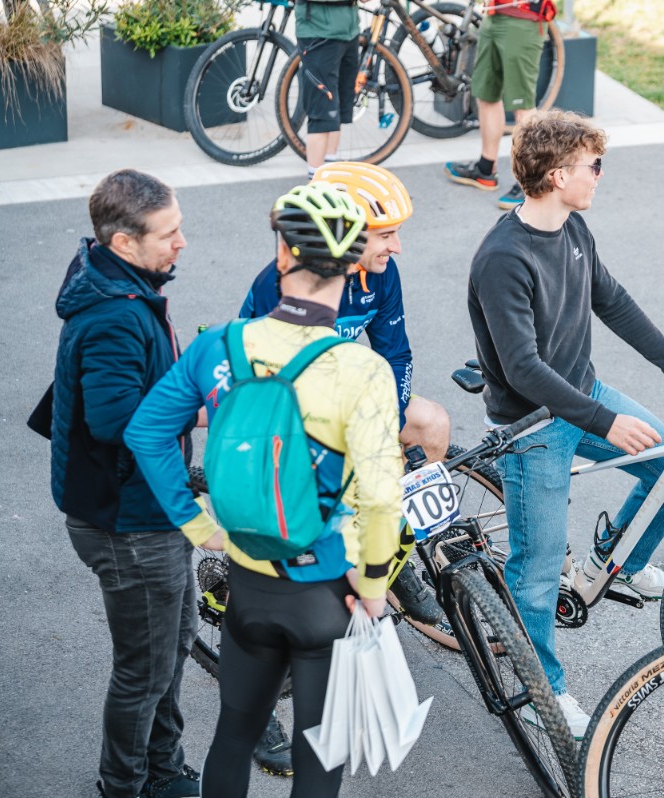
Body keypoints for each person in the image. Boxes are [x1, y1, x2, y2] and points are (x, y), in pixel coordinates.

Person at [124, 183, 404, 798]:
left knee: (233, 735)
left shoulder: (219, 345)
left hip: (247, 584)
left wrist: (197, 525)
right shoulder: (362, 370)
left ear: (282, 256)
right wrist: (374, 588)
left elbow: (145, 431)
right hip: (327, 594)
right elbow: (383, 497)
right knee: (318, 760)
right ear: (353, 265)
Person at [467, 109, 664, 737]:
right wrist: (604, 421)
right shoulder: (503, 258)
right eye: (594, 166)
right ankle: (544, 693)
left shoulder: (574, 228)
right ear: (559, 175)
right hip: (532, 424)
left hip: (582, 394)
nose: (600, 176)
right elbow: (523, 369)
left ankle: (615, 562)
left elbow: (611, 300)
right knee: (535, 570)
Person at [239, 161, 448, 773]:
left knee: (432, 424)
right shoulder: (281, 280)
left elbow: (397, 354)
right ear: (350, 234)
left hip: (349, 396)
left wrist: (386, 420)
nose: (398, 246)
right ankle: (258, 691)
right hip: (287, 419)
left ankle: (398, 555)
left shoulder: (382, 273)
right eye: (388, 234)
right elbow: (261, 384)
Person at [48, 169, 200, 798]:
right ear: (123, 243)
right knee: (145, 670)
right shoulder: (115, 314)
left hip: (152, 506)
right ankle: (125, 786)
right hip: (128, 524)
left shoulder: (125, 286)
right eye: (168, 233)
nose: (181, 242)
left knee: (177, 639)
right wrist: (200, 400)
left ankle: (163, 766)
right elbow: (116, 421)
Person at [443, 0, 550, 209]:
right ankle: (485, 170)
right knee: (486, 94)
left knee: (522, 105)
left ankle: (532, 182)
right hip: (493, 15)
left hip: (523, 18)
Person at [294, 0, 362, 177]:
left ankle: (330, 176)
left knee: (335, 111)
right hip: (319, 33)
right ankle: (315, 184)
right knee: (321, 114)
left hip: (348, 30)